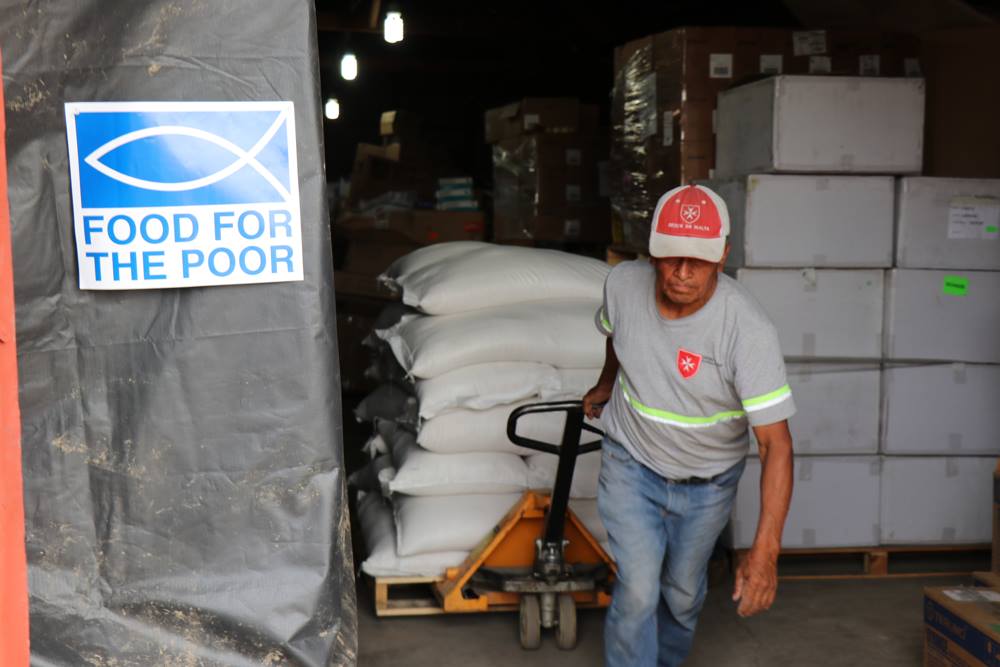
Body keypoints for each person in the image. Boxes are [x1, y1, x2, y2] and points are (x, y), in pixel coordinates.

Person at [584, 184, 795, 667]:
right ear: (652, 250)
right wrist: (605, 383)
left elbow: (776, 446)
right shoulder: (622, 285)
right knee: (637, 590)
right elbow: (617, 333)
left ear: (723, 254)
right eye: (670, 256)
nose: (681, 273)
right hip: (631, 463)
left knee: (680, 596)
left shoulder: (748, 330)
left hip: (708, 483)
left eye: (697, 260)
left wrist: (765, 552)